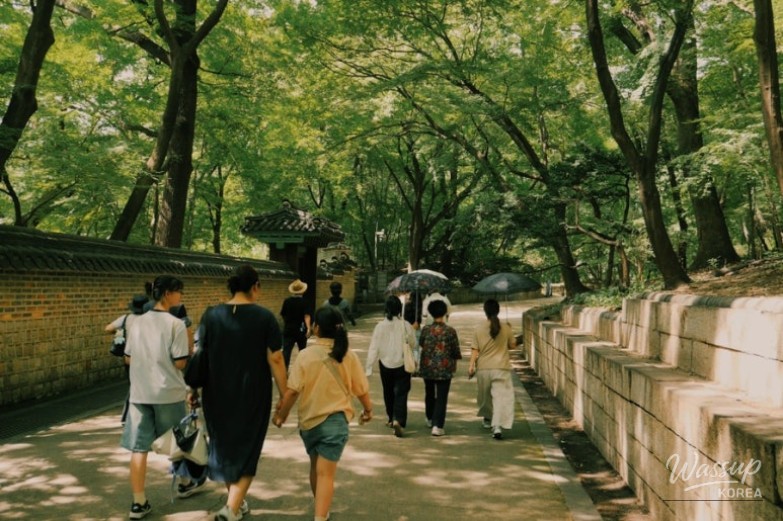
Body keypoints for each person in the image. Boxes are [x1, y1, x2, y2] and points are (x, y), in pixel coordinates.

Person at [194, 265, 288, 521]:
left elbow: (200, 354)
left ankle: (236, 501)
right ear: (255, 286)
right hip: (252, 394)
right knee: (248, 448)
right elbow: (276, 359)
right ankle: (230, 508)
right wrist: (285, 394)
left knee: (225, 446)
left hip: (215, 393)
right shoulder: (265, 318)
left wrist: (192, 389)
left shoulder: (211, 316)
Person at [273, 306, 372, 521]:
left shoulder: (306, 355)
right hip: (335, 423)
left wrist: (281, 415)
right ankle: (321, 515)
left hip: (310, 422)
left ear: (316, 328)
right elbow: (361, 389)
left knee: (315, 467)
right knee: (326, 473)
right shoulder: (348, 355)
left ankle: (321, 511)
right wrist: (368, 409)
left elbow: (292, 392)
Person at [120, 276, 189, 520]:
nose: (181, 296)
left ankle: (138, 502)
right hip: (168, 391)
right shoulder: (176, 324)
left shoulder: (135, 322)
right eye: (179, 291)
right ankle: (185, 482)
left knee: (139, 449)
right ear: (168, 294)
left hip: (140, 393)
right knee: (180, 440)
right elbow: (181, 362)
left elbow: (127, 357)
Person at [365, 295, 416, 437]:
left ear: (386, 309)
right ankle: (398, 419)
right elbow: (413, 343)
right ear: (399, 309)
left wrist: (369, 367)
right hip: (402, 363)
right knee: (401, 392)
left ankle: (390, 418)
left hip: (385, 364)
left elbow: (374, 348)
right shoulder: (405, 325)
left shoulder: (379, 327)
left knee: (388, 391)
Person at [468, 299, 517, 440]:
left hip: (483, 368)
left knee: (485, 397)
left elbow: (474, 350)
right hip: (501, 367)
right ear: (498, 310)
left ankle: (488, 419)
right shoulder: (505, 328)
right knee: (501, 397)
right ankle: (497, 425)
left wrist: (471, 366)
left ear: (485, 312)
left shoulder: (478, 328)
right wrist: (510, 329)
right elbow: (512, 345)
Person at [418, 299, 462, 436]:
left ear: (430, 312)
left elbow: (421, 344)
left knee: (429, 392)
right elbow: (455, 351)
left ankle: (430, 417)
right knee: (442, 396)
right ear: (445, 312)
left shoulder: (425, 330)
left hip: (428, 366)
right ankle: (438, 425)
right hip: (444, 367)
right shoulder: (450, 331)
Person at [105, 294, 150, 426]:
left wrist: (121, 332)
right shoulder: (148, 320)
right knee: (139, 387)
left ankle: (132, 416)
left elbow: (108, 328)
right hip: (145, 357)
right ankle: (128, 416)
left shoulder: (126, 318)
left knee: (134, 386)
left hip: (128, 358)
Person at [280, 279, 313, 369]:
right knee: (302, 351)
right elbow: (307, 316)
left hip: (289, 329)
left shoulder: (287, 301)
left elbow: (283, 314)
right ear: (303, 290)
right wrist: (309, 328)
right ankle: (302, 369)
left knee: (286, 351)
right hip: (301, 330)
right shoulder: (305, 302)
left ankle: (284, 370)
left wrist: (288, 323)